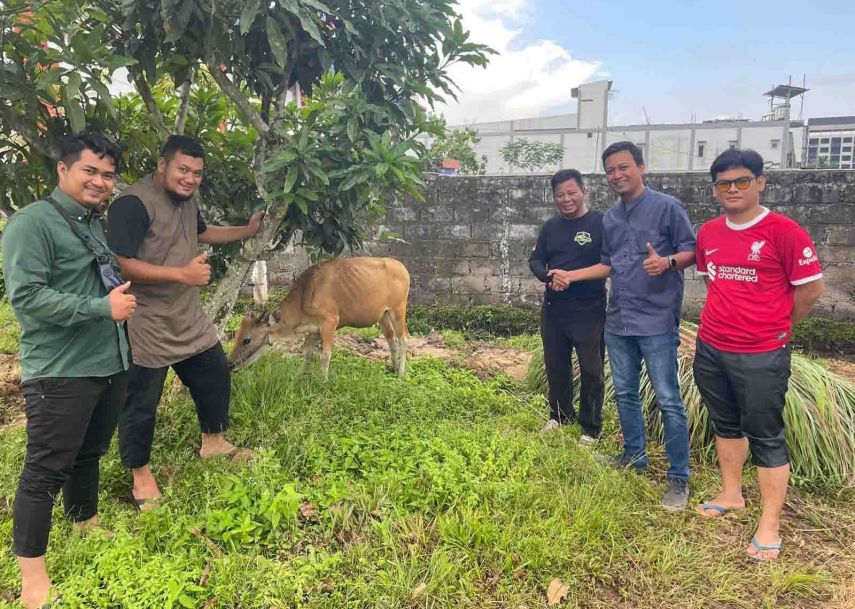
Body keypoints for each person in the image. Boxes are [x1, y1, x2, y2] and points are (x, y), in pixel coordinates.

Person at [2, 134, 136, 609]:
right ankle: (33, 577)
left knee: (90, 453)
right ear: (63, 170)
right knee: (44, 470)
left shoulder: (93, 224)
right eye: (90, 171)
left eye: (108, 174)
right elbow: (27, 297)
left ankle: (85, 521)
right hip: (61, 370)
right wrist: (102, 308)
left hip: (109, 361)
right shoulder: (32, 223)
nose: (101, 182)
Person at [106, 135, 264, 511]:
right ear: (162, 165)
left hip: (186, 316)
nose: (190, 178)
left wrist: (247, 230)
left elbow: (202, 233)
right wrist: (182, 274)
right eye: (182, 169)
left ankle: (214, 442)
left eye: (196, 172)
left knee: (214, 374)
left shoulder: (186, 198)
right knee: (141, 403)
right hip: (146, 319)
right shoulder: (132, 203)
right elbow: (120, 263)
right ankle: (140, 475)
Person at [693, 149, 823, 560]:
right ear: (715, 190)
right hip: (712, 346)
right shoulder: (710, 233)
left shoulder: (784, 232)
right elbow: (713, 284)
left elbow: (810, 290)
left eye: (742, 181)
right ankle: (732, 494)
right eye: (724, 183)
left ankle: (769, 524)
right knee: (726, 423)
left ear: (761, 182)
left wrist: (780, 328)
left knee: (766, 434)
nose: (732, 189)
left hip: (762, 353)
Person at [557, 141, 696, 511]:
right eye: (610, 171)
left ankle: (679, 476)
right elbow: (608, 264)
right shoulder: (611, 219)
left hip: (656, 320)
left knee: (668, 398)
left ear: (641, 167)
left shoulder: (667, 207)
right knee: (625, 393)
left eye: (623, 168)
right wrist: (571, 276)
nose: (617, 175)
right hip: (618, 319)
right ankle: (634, 456)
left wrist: (667, 262)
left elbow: (691, 251)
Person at [529, 169, 606, 444]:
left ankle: (591, 427)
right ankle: (560, 415)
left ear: (584, 191)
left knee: (591, 368)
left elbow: (609, 266)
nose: (566, 199)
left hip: (589, 309)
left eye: (571, 192)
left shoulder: (601, 223)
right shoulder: (551, 227)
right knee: (556, 364)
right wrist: (550, 276)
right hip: (554, 308)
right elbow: (536, 260)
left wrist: (570, 277)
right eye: (560, 194)